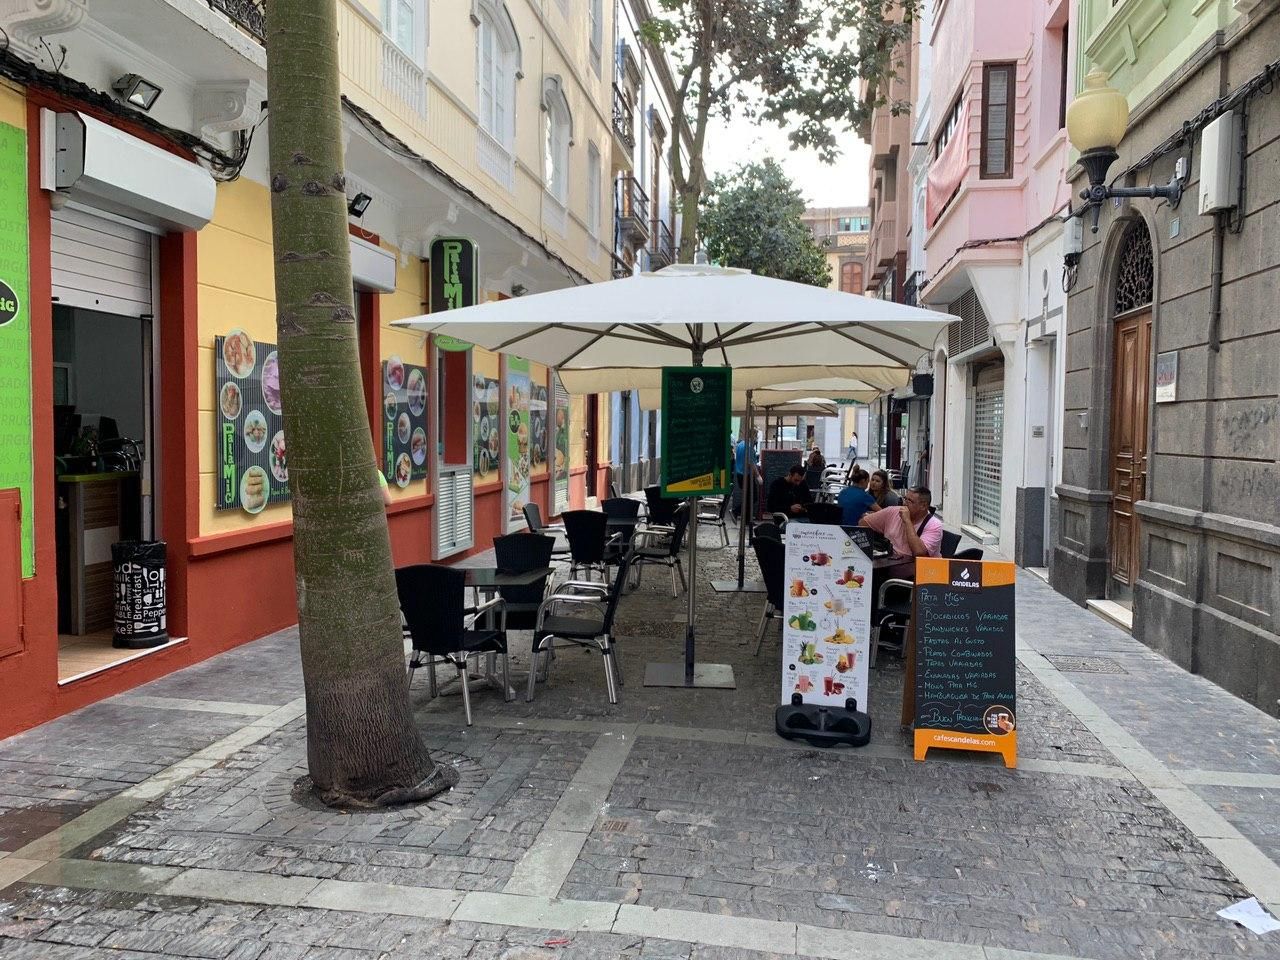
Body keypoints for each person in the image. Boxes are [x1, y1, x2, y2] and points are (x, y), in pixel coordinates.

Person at [859, 485, 943, 582]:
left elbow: (919, 553)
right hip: (888, 571)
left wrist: (907, 521)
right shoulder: (892, 512)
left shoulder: (934, 525)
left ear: (923, 506)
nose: (904, 503)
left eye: (909, 501)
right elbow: (862, 524)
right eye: (905, 499)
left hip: (920, 579)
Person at [733, 430, 759, 520]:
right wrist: (758, 475)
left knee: (748, 497)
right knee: (753, 497)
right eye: (756, 436)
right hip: (746, 475)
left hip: (739, 474)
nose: (757, 438)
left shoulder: (740, 445)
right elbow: (750, 462)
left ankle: (747, 519)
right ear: (753, 436)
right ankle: (736, 511)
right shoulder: (749, 446)